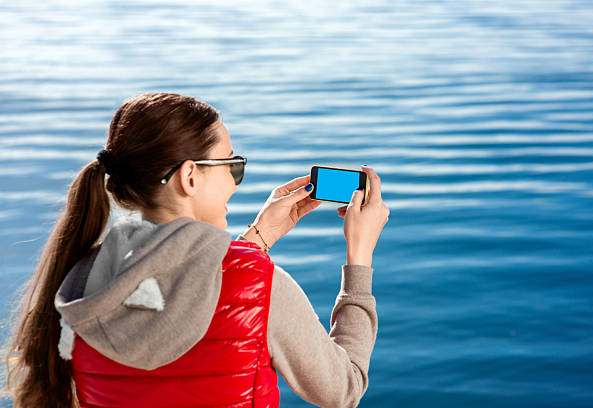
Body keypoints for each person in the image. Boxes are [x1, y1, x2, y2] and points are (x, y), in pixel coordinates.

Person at [1, 92, 390, 408]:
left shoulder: (81, 278)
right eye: (231, 166)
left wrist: (259, 237)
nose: (235, 184)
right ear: (190, 176)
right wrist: (359, 257)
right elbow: (344, 390)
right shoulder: (262, 286)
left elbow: (182, 289)